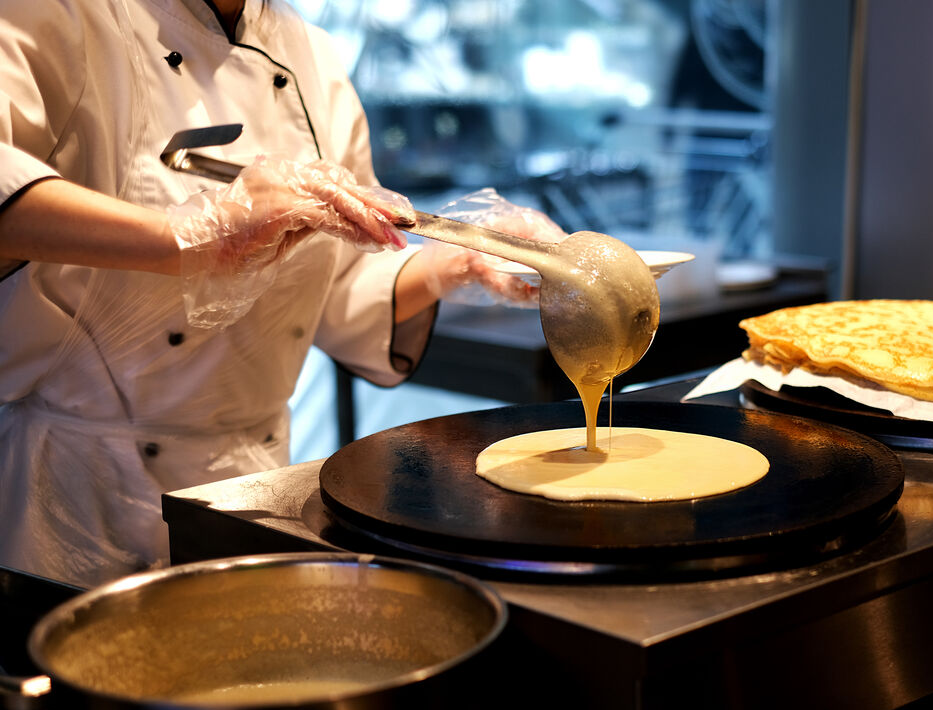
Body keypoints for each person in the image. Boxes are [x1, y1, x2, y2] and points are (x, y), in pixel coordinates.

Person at [0, 0, 558, 587]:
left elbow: (336, 288)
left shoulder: (312, 56)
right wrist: (185, 236)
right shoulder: (62, 14)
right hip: (78, 495)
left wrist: (454, 262)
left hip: (254, 482)